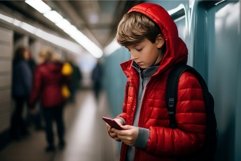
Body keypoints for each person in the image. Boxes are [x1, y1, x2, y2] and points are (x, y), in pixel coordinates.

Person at [106, 3, 207, 161]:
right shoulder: (135, 77)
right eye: (129, 50)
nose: (133, 57)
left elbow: (194, 140)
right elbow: (132, 112)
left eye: (138, 49)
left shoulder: (184, 82)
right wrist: (121, 121)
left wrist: (144, 137)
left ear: (159, 41)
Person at [29, 48, 66, 152]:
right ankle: (61, 140)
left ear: (43, 57)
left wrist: (32, 102)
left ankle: (51, 144)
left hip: (47, 99)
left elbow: (37, 87)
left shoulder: (40, 69)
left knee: (48, 123)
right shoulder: (60, 66)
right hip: (59, 98)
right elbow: (64, 81)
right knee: (59, 121)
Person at [10, 46, 32, 140]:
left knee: (18, 112)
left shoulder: (17, 63)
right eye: (26, 53)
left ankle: (22, 130)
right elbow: (27, 80)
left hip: (17, 92)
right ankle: (17, 132)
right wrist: (30, 92)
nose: (28, 55)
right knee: (18, 112)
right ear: (22, 54)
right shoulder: (23, 65)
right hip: (22, 93)